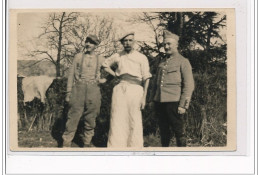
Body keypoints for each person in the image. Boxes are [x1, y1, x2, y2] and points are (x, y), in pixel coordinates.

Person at [102, 32, 152, 148]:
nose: (128, 43)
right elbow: (104, 64)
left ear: (134, 42)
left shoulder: (141, 57)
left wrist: (144, 98)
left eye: (130, 40)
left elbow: (147, 78)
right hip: (120, 89)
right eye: (125, 41)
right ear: (122, 43)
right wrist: (115, 74)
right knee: (117, 118)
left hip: (136, 90)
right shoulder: (118, 55)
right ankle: (116, 147)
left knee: (134, 119)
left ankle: (134, 147)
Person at [150, 30, 194, 147]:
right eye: (165, 44)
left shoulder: (183, 62)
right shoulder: (162, 62)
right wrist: (152, 100)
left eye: (169, 44)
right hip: (160, 102)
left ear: (176, 45)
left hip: (174, 102)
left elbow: (189, 85)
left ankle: (182, 156)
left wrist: (183, 105)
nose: (166, 47)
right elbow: (156, 83)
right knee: (164, 132)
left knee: (179, 131)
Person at [62, 35, 105, 147]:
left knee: (91, 118)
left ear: (96, 46)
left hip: (93, 90)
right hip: (78, 90)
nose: (88, 44)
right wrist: (68, 92)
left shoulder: (100, 58)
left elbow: (113, 68)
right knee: (73, 117)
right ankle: (66, 143)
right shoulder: (78, 57)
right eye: (87, 42)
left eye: (91, 43)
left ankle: (87, 142)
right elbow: (71, 75)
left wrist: (105, 80)